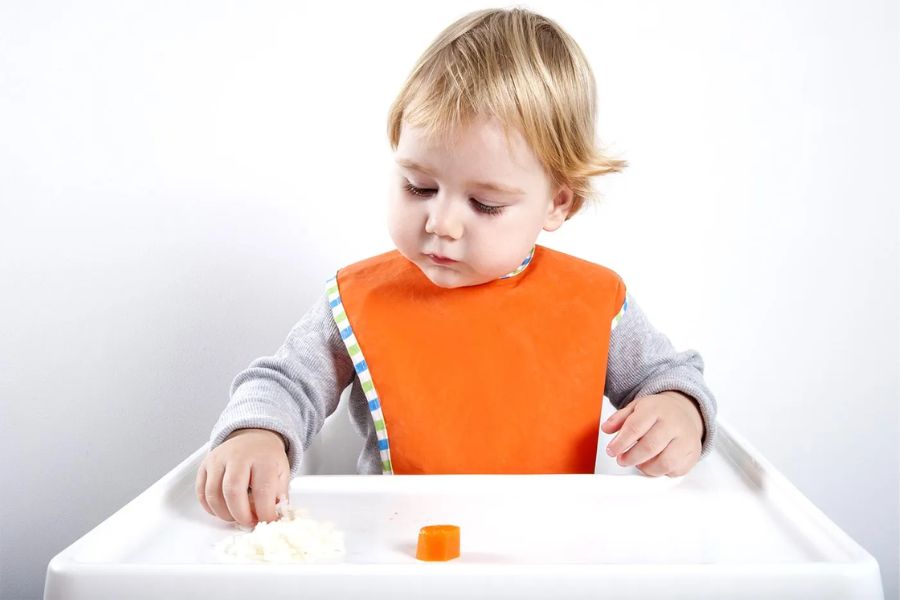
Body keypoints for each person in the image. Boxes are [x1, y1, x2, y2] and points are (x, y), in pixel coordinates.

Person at [196, 7, 718, 528]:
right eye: (419, 187)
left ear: (558, 203)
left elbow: (666, 376)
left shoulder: (594, 301)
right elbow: (287, 382)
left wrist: (680, 410)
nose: (441, 223)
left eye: (485, 204)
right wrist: (257, 432)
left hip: (552, 543)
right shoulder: (356, 300)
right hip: (395, 543)